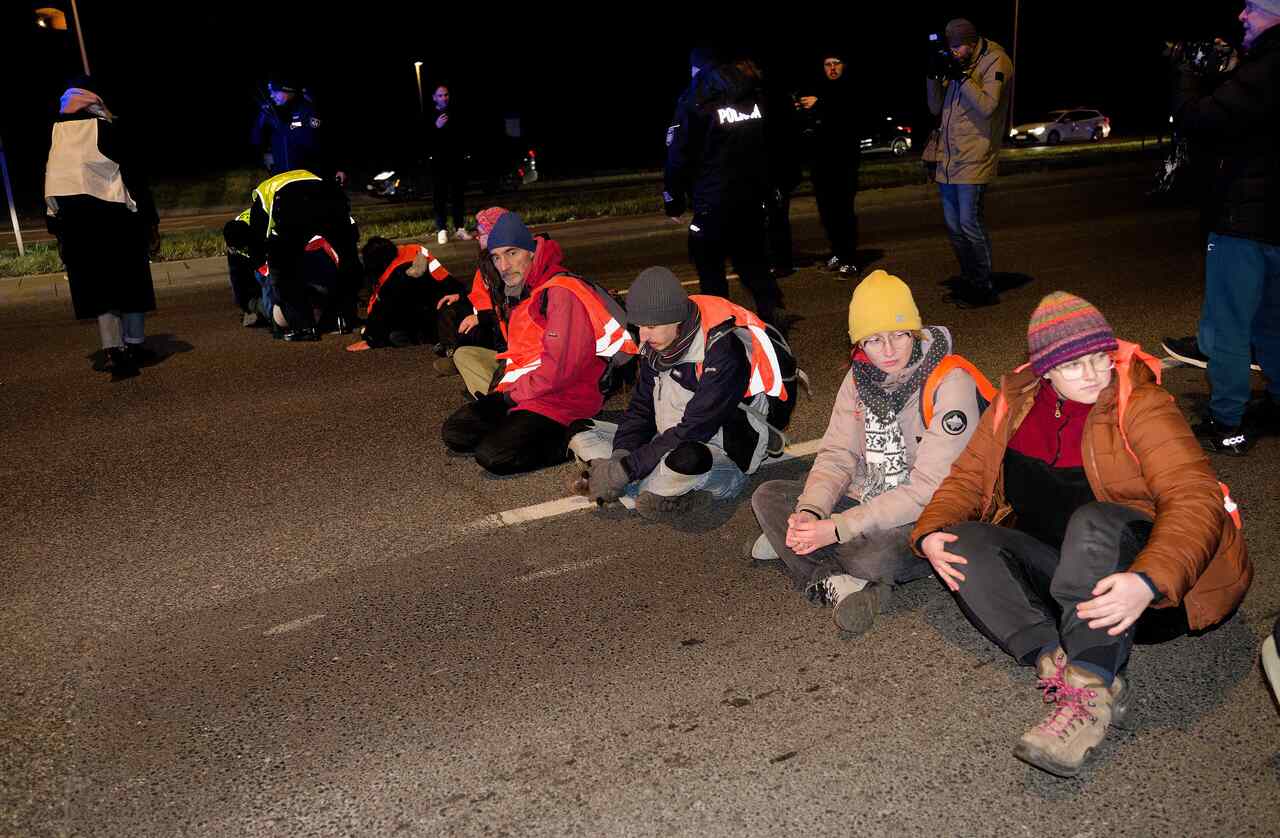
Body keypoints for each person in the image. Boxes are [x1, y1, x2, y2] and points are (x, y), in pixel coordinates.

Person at [912, 291, 1252, 778]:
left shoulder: (1140, 403)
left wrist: (1150, 580)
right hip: (1065, 586)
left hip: (1144, 590)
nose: (1094, 373)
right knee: (961, 540)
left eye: (1100, 357)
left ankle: (1089, 692)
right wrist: (928, 532)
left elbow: (1195, 497)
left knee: (1094, 519)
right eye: (1075, 365)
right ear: (1045, 370)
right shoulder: (1016, 400)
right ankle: (1055, 658)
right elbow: (967, 477)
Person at [749, 271, 990, 635]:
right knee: (768, 496)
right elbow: (837, 455)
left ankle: (808, 552)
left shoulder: (950, 382)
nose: (889, 351)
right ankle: (836, 576)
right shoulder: (859, 378)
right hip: (868, 496)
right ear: (859, 344)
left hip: (929, 512)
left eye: (898, 335)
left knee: (873, 555)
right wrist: (810, 511)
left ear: (916, 332)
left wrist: (838, 527)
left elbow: (929, 491)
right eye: (874, 340)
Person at [569, 267, 787, 520]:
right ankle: (643, 481)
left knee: (685, 460)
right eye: (638, 326)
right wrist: (621, 455)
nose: (643, 336)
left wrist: (624, 471)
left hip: (715, 445)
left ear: (677, 320)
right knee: (579, 429)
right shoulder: (656, 342)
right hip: (667, 435)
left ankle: (720, 484)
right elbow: (641, 409)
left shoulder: (723, 352)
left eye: (650, 326)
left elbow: (694, 429)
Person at [1160, 1, 1280, 456]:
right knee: (1272, 321)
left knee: (1227, 326)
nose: (1242, 16)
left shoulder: (1269, 67)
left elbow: (1199, 119)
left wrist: (1188, 72)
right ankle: (1278, 402)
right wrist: (1237, 65)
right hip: (1273, 221)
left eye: (1253, 8)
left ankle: (1227, 422)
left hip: (1246, 219)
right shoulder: (1262, 67)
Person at [441, 213, 636, 475]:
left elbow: (559, 371)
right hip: (529, 391)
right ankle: (521, 424)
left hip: (564, 399)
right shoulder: (525, 289)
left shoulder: (561, 292)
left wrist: (509, 397)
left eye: (512, 253)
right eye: (497, 257)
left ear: (532, 252)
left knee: (493, 455)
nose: (504, 265)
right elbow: (523, 356)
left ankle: (575, 438)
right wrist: (504, 395)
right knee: (456, 432)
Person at [44, 77, 160, 379]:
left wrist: (54, 224)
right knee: (129, 279)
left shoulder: (56, 134)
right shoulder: (108, 129)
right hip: (115, 216)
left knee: (99, 286)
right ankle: (134, 344)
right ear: (95, 103)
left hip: (76, 222)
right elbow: (134, 176)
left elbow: (50, 182)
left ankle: (112, 348)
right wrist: (150, 220)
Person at [664, 48, 784, 327]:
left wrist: (673, 199)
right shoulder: (753, 94)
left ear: (696, 68)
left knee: (710, 269)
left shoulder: (695, 99)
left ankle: (721, 330)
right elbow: (772, 146)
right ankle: (773, 320)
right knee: (753, 265)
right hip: (751, 200)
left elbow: (677, 154)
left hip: (712, 202)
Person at [926, 18, 1013, 307]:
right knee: (953, 226)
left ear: (972, 43)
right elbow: (936, 108)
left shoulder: (995, 61)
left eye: (958, 46)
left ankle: (983, 286)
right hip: (949, 157)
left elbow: (988, 106)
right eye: (950, 47)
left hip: (975, 154)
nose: (954, 52)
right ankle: (969, 278)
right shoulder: (956, 62)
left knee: (969, 223)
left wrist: (962, 77)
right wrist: (932, 78)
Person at [245, 169, 361, 341]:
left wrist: (267, 272)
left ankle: (304, 327)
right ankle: (344, 319)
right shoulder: (312, 177)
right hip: (330, 201)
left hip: (292, 208)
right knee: (347, 262)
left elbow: (258, 245)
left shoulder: (261, 198)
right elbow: (347, 228)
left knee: (283, 271)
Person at [798, 50, 862, 278]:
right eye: (827, 64)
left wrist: (821, 104)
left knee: (843, 211)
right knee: (827, 213)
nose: (832, 68)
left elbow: (848, 116)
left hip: (844, 163)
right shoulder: (817, 89)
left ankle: (850, 258)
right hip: (821, 164)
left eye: (837, 63)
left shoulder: (849, 88)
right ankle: (837, 251)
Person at [345, 238, 470, 352]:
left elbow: (381, 312)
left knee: (392, 329)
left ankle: (419, 337)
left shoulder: (393, 280)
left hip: (432, 319)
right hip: (449, 305)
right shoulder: (414, 250)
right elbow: (449, 281)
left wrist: (370, 338)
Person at [434, 206, 512, 386]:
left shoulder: (509, 265)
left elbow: (510, 308)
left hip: (494, 321)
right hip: (486, 313)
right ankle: (453, 352)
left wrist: (480, 318)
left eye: (482, 232)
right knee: (450, 309)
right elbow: (480, 291)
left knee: (471, 331)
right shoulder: (490, 258)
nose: (478, 236)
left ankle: (465, 357)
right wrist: (461, 296)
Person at [252, 76, 345, 186]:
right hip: (283, 180)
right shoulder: (272, 113)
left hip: (309, 178)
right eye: (270, 92)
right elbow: (256, 141)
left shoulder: (307, 109)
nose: (271, 96)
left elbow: (320, 142)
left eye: (275, 92)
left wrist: (337, 168)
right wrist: (261, 118)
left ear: (287, 91)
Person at [428, 85, 470, 244]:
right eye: (440, 95)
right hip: (438, 164)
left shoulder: (455, 113)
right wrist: (436, 127)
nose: (444, 98)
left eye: (446, 95)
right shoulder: (429, 115)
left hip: (456, 162)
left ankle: (460, 228)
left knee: (457, 196)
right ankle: (442, 229)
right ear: (434, 97)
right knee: (440, 197)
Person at [223, 209, 269, 328]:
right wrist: (245, 306)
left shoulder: (261, 228)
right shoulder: (233, 236)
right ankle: (255, 306)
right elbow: (236, 277)